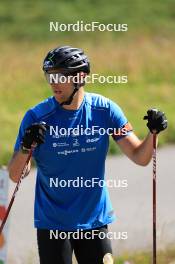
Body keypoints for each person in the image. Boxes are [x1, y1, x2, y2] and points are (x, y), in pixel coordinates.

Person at [8, 46, 167, 264]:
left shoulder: (105, 111)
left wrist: (153, 133)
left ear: (80, 77)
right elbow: (15, 175)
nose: (52, 82)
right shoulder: (37, 117)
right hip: (53, 224)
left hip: (94, 222)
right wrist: (26, 147)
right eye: (49, 76)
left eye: (59, 76)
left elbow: (140, 157)